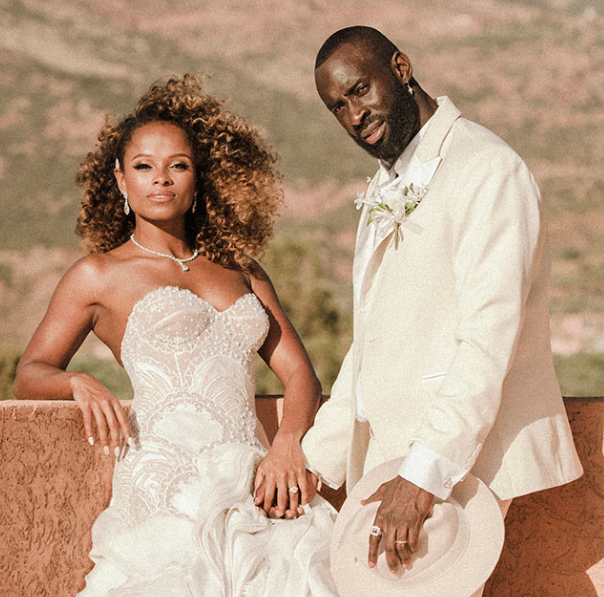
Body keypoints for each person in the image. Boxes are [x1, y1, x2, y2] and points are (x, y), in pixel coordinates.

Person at [13, 75, 339, 597]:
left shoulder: (242, 271)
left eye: (178, 165)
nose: (160, 179)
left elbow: (300, 373)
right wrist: (75, 382)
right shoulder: (96, 275)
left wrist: (286, 445)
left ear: (198, 179)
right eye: (143, 166)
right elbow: (29, 374)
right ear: (120, 181)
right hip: (166, 491)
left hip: (252, 481)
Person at [301, 26, 583, 595]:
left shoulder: (488, 169)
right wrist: (312, 462)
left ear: (401, 67)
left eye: (360, 90)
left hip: (455, 459)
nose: (355, 115)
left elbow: (488, 339)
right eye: (338, 106)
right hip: (388, 455)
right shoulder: (388, 184)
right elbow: (371, 339)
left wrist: (423, 475)